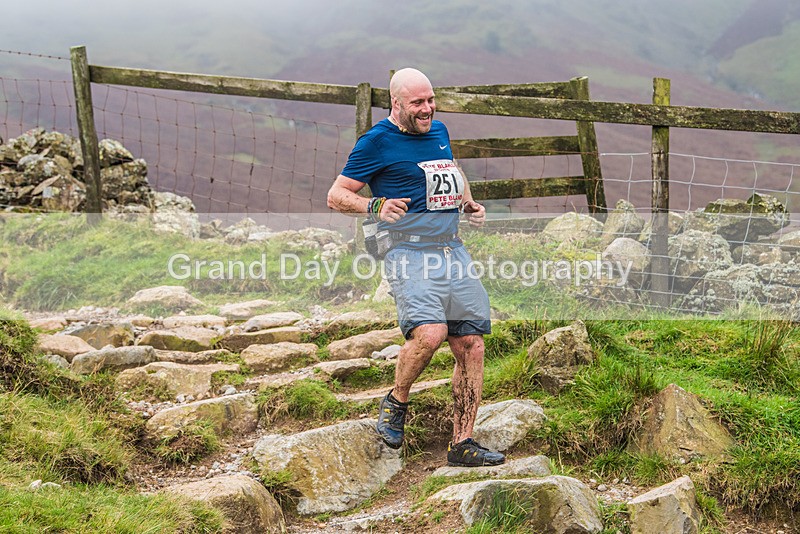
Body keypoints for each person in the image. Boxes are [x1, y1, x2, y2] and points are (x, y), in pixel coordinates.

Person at [327, 67, 504, 467]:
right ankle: (397, 399)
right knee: (430, 334)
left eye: (430, 100)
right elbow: (336, 195)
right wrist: (375, 205)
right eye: (418, 103)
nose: (427, 109)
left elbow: (452, 173)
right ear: (396, 103)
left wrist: (468, 203)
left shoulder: (438, 132)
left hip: (452, 250)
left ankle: (463, 443)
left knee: (471, 343)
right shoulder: (375, 142)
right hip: (408, 252)